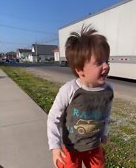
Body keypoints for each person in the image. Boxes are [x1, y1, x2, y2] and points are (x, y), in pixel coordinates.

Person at [47, 25, 113, 168]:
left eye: (106, 61)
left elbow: (105, 115)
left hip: (94, 147)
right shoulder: (69, 90)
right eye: (99, 63)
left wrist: (104, 132)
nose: (106, 66)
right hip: (71, 149)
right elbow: (53, 118)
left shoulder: (107, 91)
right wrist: (55, 147)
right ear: (80, 70)